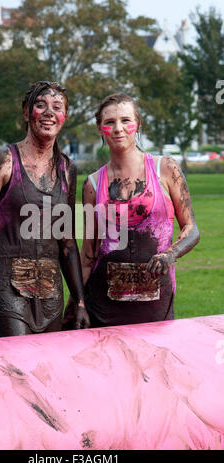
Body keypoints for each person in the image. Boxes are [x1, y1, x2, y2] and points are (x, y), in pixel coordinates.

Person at [0, 81, 90, 337]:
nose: (49, 112)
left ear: (64, 116)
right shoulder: (4, 160)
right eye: (40, 105)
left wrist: (79, 301)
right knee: (16, 365)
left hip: (48, 288)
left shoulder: (67, 169)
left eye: (57, 107)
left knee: (45, 366)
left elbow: (67, 242)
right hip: (4, 282)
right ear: (25, 113)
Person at [64, 93, 200, 328]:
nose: (118, 129)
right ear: (100, 128)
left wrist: (170, 254)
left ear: (137, 124)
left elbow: (191, 228)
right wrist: (77, 304)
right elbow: (89, 253)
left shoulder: (165, 169)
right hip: (104, 307)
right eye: (109, 122)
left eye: (126, 120)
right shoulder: (92, 184)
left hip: (156, 304)